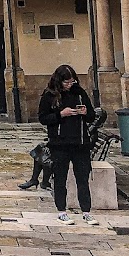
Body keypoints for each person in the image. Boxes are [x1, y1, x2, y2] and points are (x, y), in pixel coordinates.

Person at [38, 65, 98, 226]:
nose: (70, 85)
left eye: (72, 81)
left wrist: (85, 113)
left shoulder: (80, 93)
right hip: (59, 144)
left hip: (80, 143)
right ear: (59, 81)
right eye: (67, 82)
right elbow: (43, 118)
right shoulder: (50, 95)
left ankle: (86, 211)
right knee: (60, 179)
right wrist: (60, 114)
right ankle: (61, 211)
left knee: (83, 179)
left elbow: (91, 116)